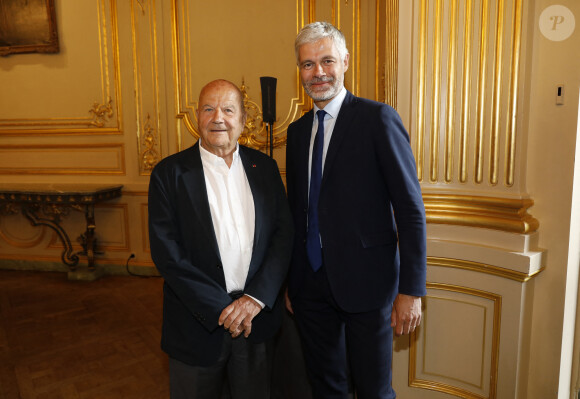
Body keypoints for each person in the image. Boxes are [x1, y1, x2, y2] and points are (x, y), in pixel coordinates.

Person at [285, 22, 427, 399]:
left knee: (374, 391)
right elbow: (297, 212)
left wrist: (411, 291)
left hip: (368, 285)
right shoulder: (297, 133)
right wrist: (291, 280)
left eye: (327, 61)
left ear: (346, 62)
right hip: (309, 288)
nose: (318, 73)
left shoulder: (377, 119)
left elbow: (410, 210)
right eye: (307, 64)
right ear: (299, 70)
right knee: (326, 388)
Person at [148, 79, 293, 399]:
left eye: (228, 110)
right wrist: (221, 308)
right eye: (208, 109)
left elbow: (283, 237)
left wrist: (255, 299)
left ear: (243, 120)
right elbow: (166, 253)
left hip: (256, 322)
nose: (218, 118)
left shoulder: (265, 168)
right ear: (196, 117)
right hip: (195, 324)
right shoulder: (168, 174)